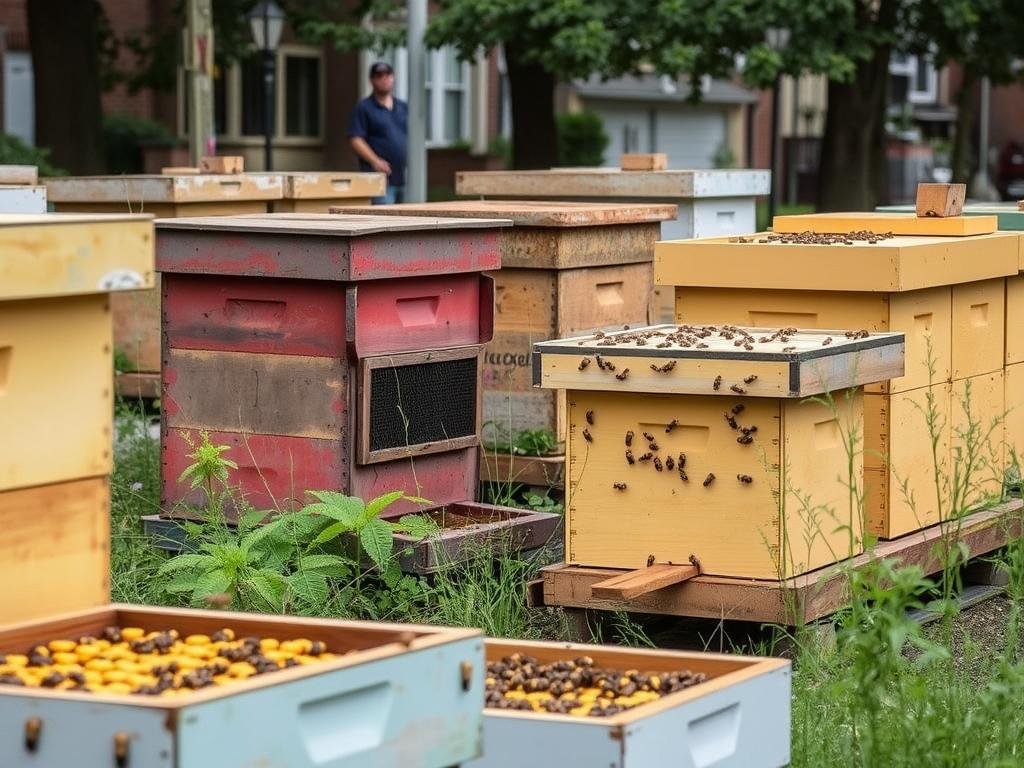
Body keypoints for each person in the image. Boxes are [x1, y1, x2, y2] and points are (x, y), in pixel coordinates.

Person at [348, 61, 408, 204]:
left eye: (388, 74)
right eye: (379, 75)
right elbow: (355, 138)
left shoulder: (403, 107)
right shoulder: (363, 108)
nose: (384, 78)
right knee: (386, 222)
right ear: (372, 80)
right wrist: (375, 161)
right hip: (380, 180)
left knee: (411, 222)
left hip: (406, 178)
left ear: (393, 77)